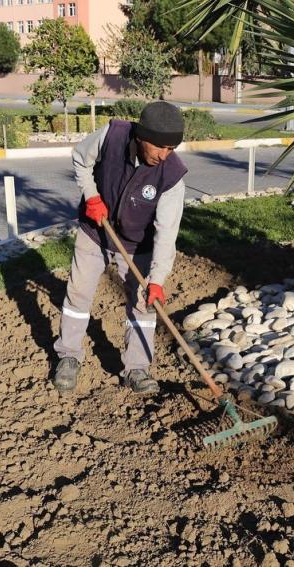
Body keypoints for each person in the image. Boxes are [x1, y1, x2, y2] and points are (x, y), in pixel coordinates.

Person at [52, 101, 188, 395]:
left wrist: (158, 279)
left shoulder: (172, 176)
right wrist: (91, 197)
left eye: (171, 148)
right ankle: (68, 356)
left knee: (143, 304)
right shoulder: (112, 136)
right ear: (141, 136)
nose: (164, 155)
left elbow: (167, 233)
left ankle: (137, 368)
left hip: (139, 244)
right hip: (95, 232)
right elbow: (80, 159)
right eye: (159, 147)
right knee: (78, 293)